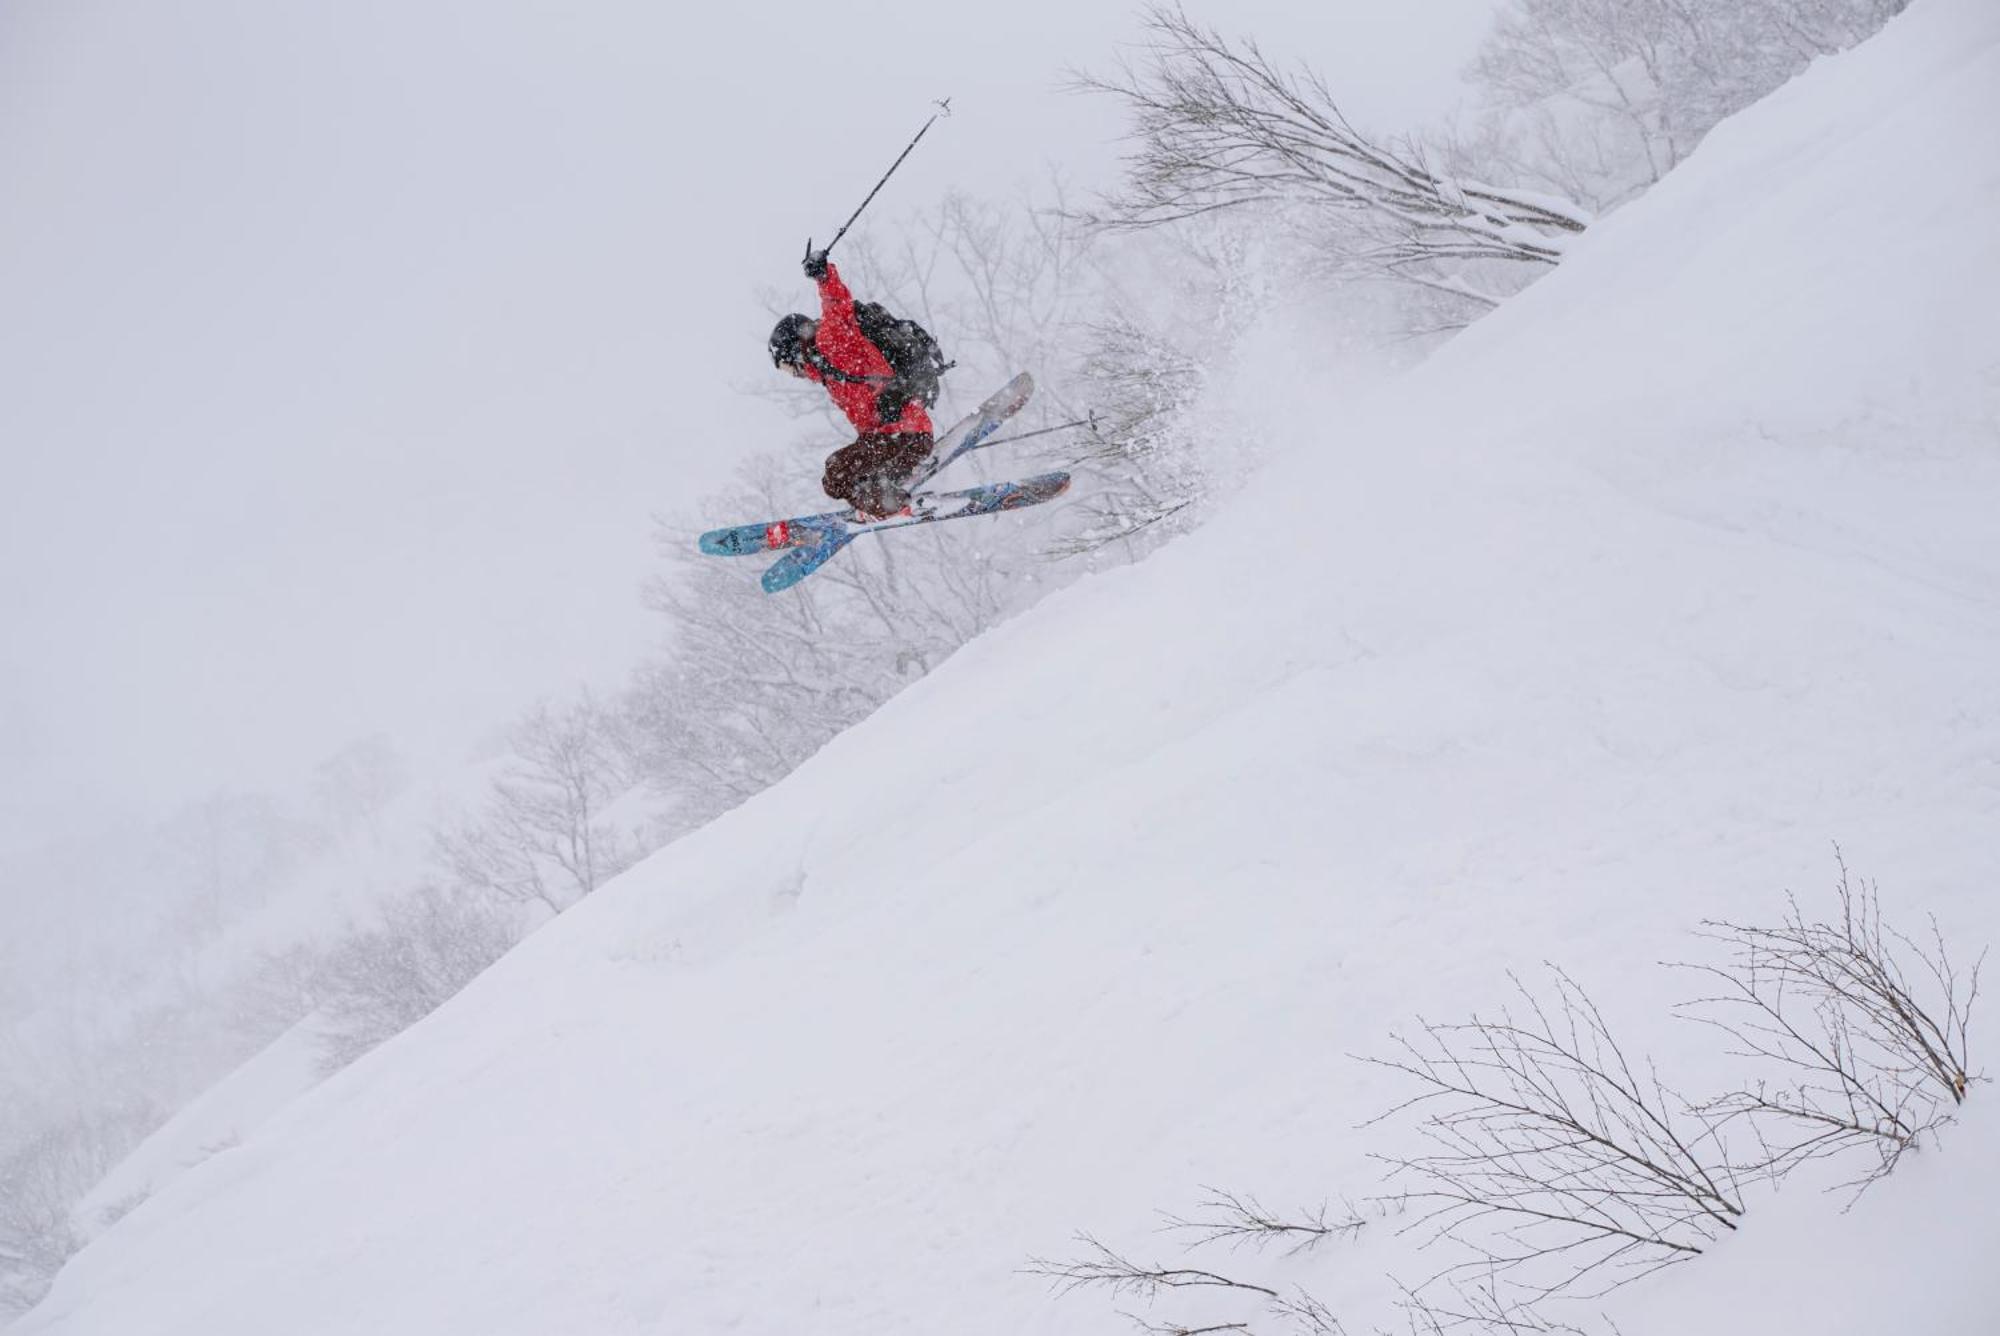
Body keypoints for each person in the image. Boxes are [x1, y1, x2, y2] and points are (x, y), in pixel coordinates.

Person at [768, 249, 935, 520]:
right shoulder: (830, 377)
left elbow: (837, 304)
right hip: (901, 440)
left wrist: (823, 276)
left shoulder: (828, 341)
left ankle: (889, 508)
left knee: (836, 472)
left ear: (794, 350)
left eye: (788, 367)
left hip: (901, 435)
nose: (795, 374)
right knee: (858, 479)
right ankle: (884, 499)